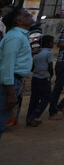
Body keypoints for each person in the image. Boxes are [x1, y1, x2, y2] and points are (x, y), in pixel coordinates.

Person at [0, 9, 33, 139]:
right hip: (8, 83)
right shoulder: (15, 37)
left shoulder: (19, 36)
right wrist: (10, 93)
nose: (30, 16)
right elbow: (7, 65)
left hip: (14, 80)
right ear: (19, 21)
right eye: (27, 15)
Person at [25, 34, 55, 127]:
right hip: (44, 78)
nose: (53, 43)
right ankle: (34, 116)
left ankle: (29, 117)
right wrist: (51, 75)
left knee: (34, 98)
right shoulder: (49, 53)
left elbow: (32, 67)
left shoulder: (37, 53)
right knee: (46, 97)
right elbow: (50, 66)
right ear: (48, 43)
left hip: (35, 77)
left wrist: (36, 72)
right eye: (52, 42)